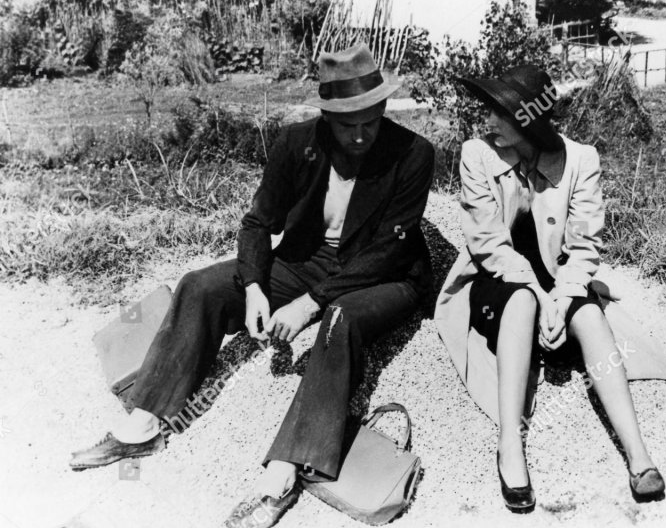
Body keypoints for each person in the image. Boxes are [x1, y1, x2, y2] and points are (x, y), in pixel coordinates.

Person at [69, 43, 435, 528]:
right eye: (349, 125)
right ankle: (145, 424)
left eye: (372, 120)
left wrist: (311, 304)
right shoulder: (297, 144)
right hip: (309, 261)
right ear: (326, 116)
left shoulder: (413, 154)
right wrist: (255, 287)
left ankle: (284, 471)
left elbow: (388, 250)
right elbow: (258, 223)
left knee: (338, 322)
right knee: (200, 285)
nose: (362, 134)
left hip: (384, 274)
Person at [434, 65, 665, 513]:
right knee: (523, 301)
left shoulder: (581, 160)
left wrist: (560, 298)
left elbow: (585, 246)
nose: (488, 120)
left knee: (591, 314)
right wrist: (543, 300)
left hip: (558, 280)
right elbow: (488, 244)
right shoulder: (477, 155)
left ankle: (639, 457)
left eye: (500, 112)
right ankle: (510, 446)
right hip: (498, 281)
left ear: (528, 121)